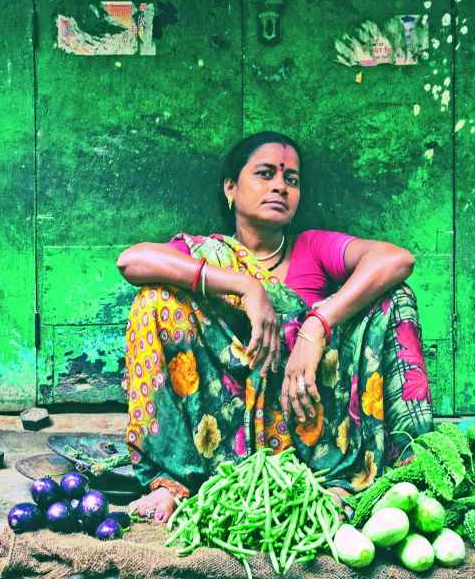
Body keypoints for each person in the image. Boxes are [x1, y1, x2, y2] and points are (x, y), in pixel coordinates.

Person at [116, 131, 433, 524]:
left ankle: (358, 478)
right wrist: (244, 286)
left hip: (309, 412)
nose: (280, 186)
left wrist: (316, 325)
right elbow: (132, 261)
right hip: (224, 423)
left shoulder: (313, 248)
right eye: (265, 174)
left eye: (292, 179)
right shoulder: (213, 256)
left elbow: (396, 259)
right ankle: (171, 484)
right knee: (154, 301)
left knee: (395, 298)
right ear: (230, 187)